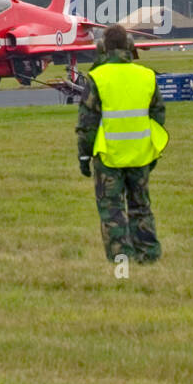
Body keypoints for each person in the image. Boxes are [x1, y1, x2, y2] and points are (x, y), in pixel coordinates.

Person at [76, 23, 168, 264]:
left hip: (109, 156)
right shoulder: (147, 75)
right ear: (129, 46)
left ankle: (121, 258)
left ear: (102, 48)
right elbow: (158, 114)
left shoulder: (97, 78)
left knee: (112, 210)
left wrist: (84, 157)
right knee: (141, 207)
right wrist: (154, 150)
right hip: (141, 155)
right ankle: (148, 256)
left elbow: (88, 124)